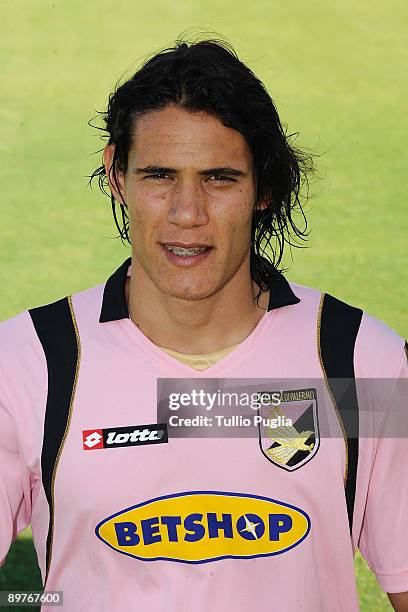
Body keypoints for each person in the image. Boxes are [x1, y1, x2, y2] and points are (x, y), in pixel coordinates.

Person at [0, 38, 407, 612]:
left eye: (219, 178)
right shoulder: (28, 363)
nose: (186, 213)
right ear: (117, 175)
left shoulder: (362, 362)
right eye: (159, 175)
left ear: (263, 186)